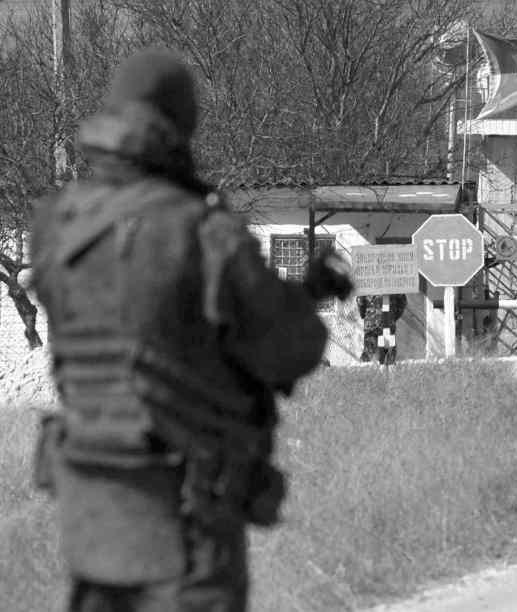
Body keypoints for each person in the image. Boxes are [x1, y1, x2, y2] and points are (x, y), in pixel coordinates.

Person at [29, 49, 353, 612]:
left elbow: (145, 330)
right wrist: (305, 298)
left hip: (91, 504)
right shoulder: (204, 233)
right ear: (183, 124)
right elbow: (292, 349)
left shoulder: (55, 226)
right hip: (185, 518)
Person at [357, 293, 407, 364]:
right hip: (387, 323)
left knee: (369, 352)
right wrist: (393, 316)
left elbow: (360, 301)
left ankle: (360, 372)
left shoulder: (368, 283)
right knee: (388, 355)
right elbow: (402, 302)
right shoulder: (393, 283)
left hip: (372, 324)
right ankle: (388, 372)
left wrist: (364, 314)